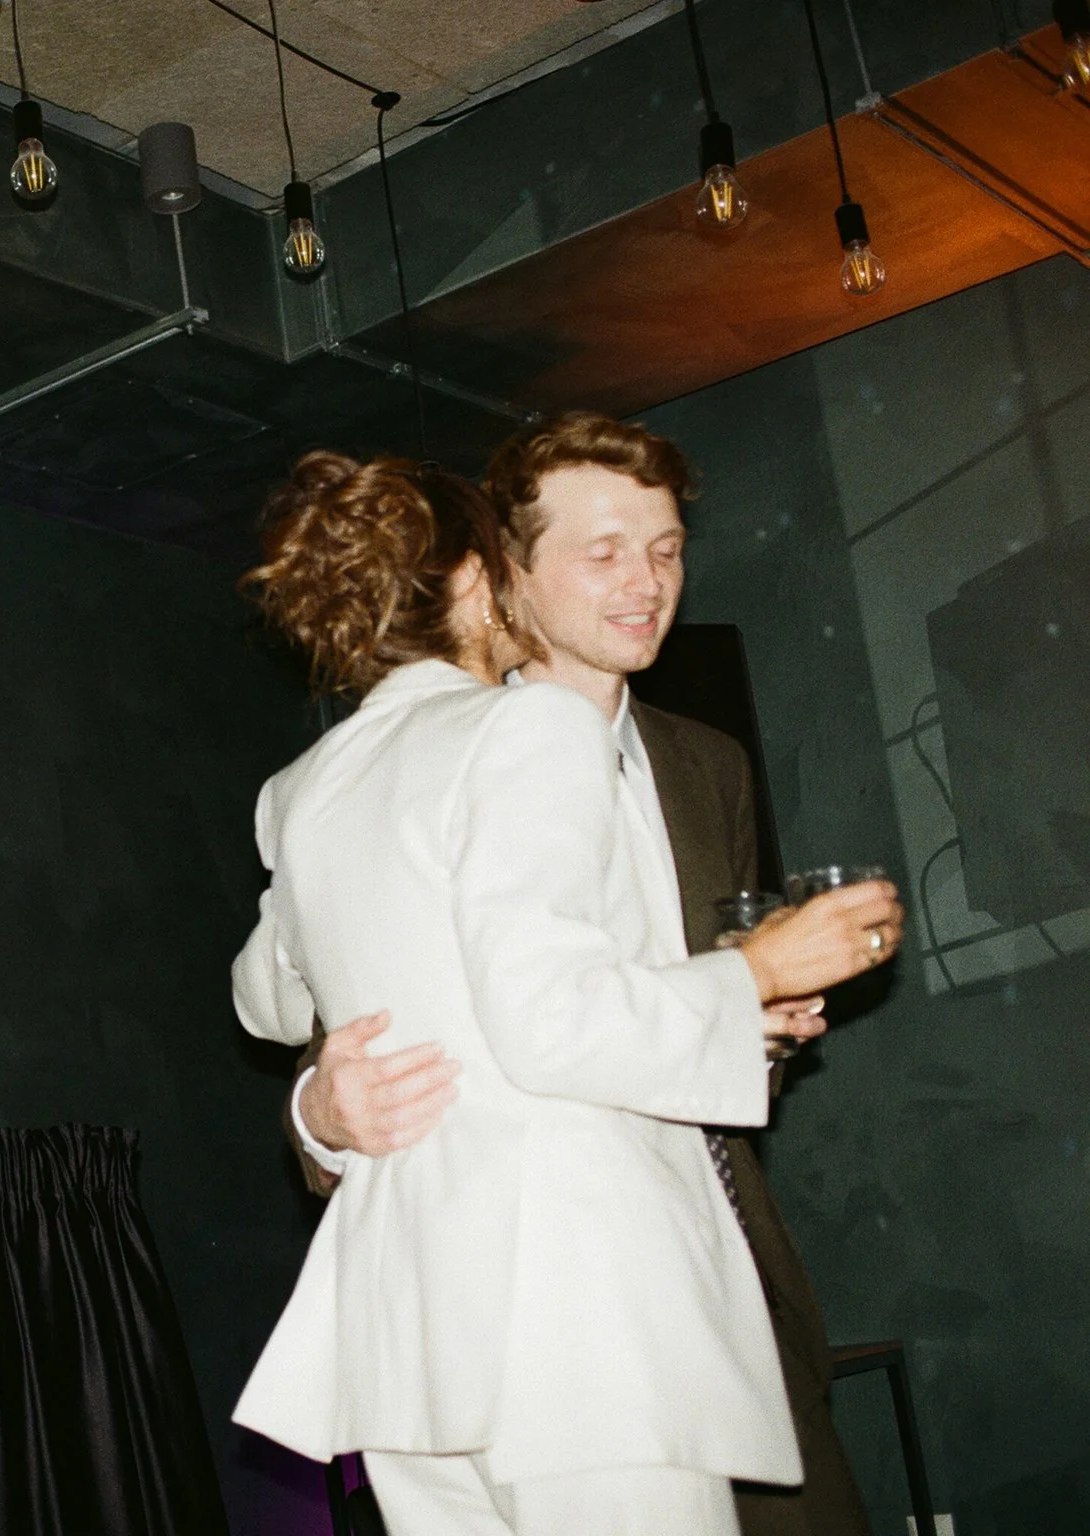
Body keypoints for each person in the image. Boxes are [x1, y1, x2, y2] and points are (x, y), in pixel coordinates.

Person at [229, 451, 902, 1535]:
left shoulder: (305, 786)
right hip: (579, 1310)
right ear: (470, 583)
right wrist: (756, 973)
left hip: (410, 1329)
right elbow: (549, 1025)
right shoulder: (527, 727)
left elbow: (264, 999)